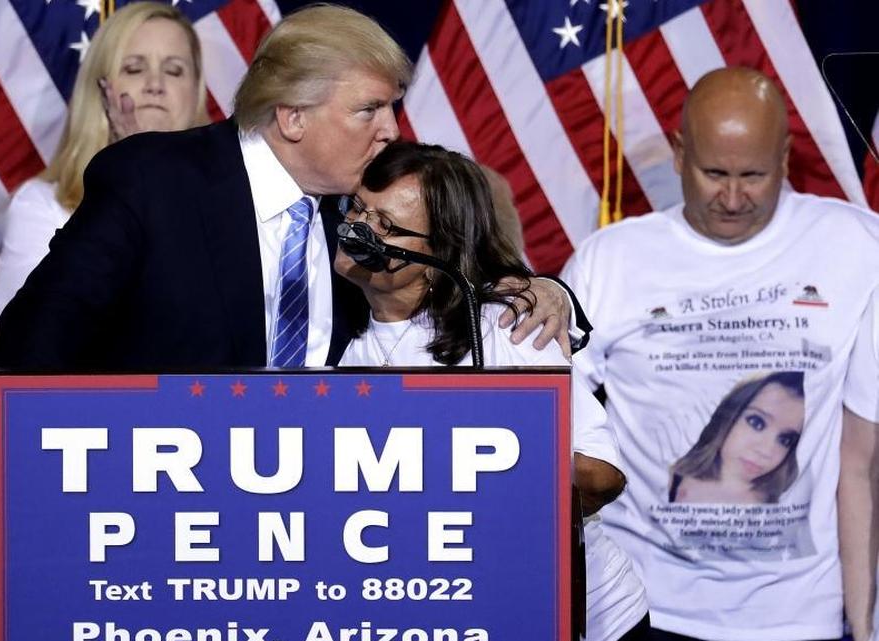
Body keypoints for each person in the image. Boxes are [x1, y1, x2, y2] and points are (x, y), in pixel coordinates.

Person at [0, 3, 581, 375]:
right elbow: (40, 328)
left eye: (392, 107)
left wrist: (545, 288)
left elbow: (463, 272)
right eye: (369, 109)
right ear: (293, 117)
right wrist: (6, 449)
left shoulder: (364, 210)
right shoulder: (155, 180)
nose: (392, 130)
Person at [561, 66, 879, 641]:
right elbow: (551, 419)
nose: (733, 198)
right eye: (714, 174)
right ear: (679, 155)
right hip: (639, 609)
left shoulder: (859, 245)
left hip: (801, 617)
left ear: (785, 156)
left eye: (754, 175)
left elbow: (865, 456)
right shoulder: (608, 261)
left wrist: (864, 623)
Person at [334, 140, 648, 641]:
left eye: (387, 226)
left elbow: (600, 476)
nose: (359, 231)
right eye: (359, 209)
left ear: (442, 250)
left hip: (577, 617)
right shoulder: (325, 330)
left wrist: (470, 468)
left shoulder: (507, 327)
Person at [0, 1, 208, 323]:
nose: (155, 84)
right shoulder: (41, 208)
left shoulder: (234, 207)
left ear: (196, 93)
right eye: (134, 68)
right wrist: (133, 173)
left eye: (174, 70)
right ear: (102, 91)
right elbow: (27, 345)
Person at [668, 371, 805, 505]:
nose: (766, 451)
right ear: (730, 415)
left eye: (785, 440)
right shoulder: (671, 475)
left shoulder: (781, 505)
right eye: (756, 423)